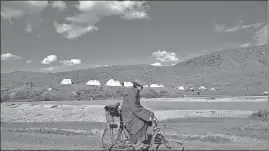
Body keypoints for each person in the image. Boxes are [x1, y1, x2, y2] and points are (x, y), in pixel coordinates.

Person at [121, 79, 154, 150]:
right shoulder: (133, 93)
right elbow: (135, 107)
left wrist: (147, 111)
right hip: (128, 114)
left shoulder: (134, 91)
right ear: (138, 86)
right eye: (141, 86)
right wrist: (147, 113)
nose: (142, 88)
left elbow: (137, 105)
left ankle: (137, 141)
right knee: (142, 123)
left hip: (131, 112)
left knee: (143, 121)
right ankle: (134, 142)